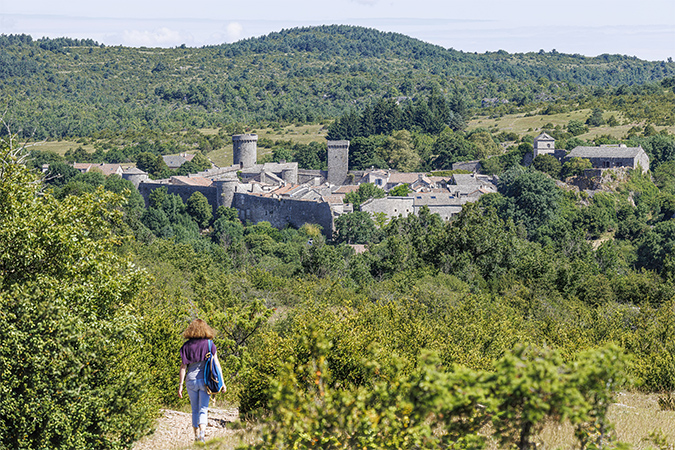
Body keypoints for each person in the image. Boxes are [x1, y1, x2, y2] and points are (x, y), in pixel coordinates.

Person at [178, 319, 223, 443]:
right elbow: (217, 364)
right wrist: (222, 382)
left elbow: (183, 367)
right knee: (203, 408)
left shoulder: (186, 346)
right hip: (205, 381)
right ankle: (202, 435)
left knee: (194, 409)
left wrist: (180, 385)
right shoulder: (209, 344)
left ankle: (196, 437)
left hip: (190, 380)